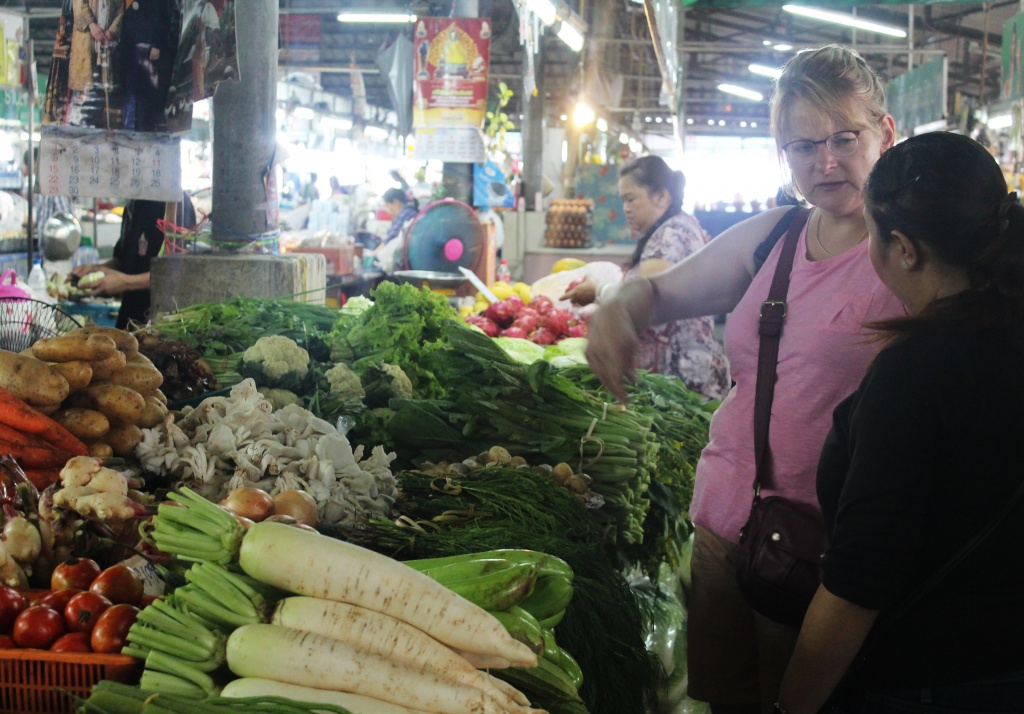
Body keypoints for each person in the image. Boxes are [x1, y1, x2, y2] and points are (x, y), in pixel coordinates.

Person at [583, 45, 906, 714]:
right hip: (725, 532)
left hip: (826, 560)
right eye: (802, 146)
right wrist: (620, 306)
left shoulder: (912, 256)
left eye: (844, 138)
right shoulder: (774, 237)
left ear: (885, 132)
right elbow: (661, 293)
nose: (825, 162)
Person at [776, 133, 1024, 714]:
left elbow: (860, 581)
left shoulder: (914, 374)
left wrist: (791, 705)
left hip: (932, 681)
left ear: (905, 249)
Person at [561, 156, 730, 400]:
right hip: (679, 379)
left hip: (682, 383)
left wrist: (599, 292)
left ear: (661, 196)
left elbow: (651, 299)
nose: (625, 208)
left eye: (631, 199)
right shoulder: (677, 226)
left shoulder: (671, 234)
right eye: (623, 201)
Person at [73, 194, 196, 329]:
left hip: (157, 321)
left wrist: (126, 282)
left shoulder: (175, 203)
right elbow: (122, 259)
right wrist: (96, 270)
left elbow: (178, 271)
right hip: (129, 316)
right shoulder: (134, 202)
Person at [120, 0, 175, 132]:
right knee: (131, 93)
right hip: (130, 46)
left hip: (149, 47)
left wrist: (156, 44)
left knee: (146, 94)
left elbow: (162, 16)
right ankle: (129, 128)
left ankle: (143, 129)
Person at [68, 0, 124, 128]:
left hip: (106, 47)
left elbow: (120, 9)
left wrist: (112, 31)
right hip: (86, 42)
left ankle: (93, 127)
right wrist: (92, 25)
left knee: (100, 96)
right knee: (83, 94)